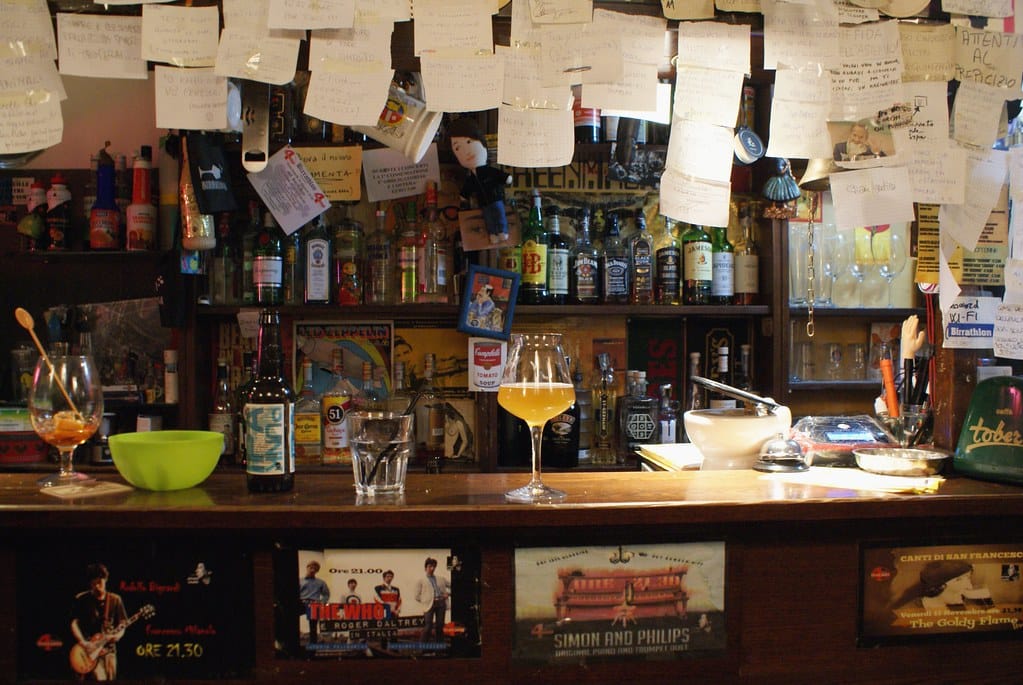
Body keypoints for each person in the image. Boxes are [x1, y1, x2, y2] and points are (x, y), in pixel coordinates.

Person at [448, 117, 511, 244]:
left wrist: (506, 178)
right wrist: (463, 195)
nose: (466, 152)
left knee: (499, 214)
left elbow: (498, 174)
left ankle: (502, 231)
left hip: (495, 197)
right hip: (484, 202)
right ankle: (493, 232)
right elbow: (467, 187)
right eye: (458, 148)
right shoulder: (471, 177)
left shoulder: (487, 170)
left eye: (469, 142)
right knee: (488, 218)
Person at [69, 563, 128, 681]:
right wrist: (82, 642)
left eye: (99, 582)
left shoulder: (115, 599)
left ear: (105, 580)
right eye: (93, 583)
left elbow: (122, 624)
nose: (96, 586)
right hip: (88, 649)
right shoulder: (81, 599)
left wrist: (118, 636)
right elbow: (74, 623)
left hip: (109, 651)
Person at [414, 557, 450, 642]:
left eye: (434, 566)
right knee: (428, 626)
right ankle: (422, 648)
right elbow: (417, 596)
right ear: (425, 568)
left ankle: (439, 648)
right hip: (428, 605)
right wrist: (426, 600)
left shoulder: (441, 579)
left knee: (440, 626)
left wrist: (447, 594)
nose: (432, 568)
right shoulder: (421, 580)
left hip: (441, 603)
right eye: (430, 566)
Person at [299, 560, 330, 644]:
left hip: (313, 604)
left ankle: (313, 648)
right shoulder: (300, 580)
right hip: (301, 603)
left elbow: (326, 594)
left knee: (313, 628)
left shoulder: (321, 582)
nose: (312, 569)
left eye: (315, 568)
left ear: (317, 571)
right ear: (307, 567)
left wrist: (321, 602)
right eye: (311, 567)